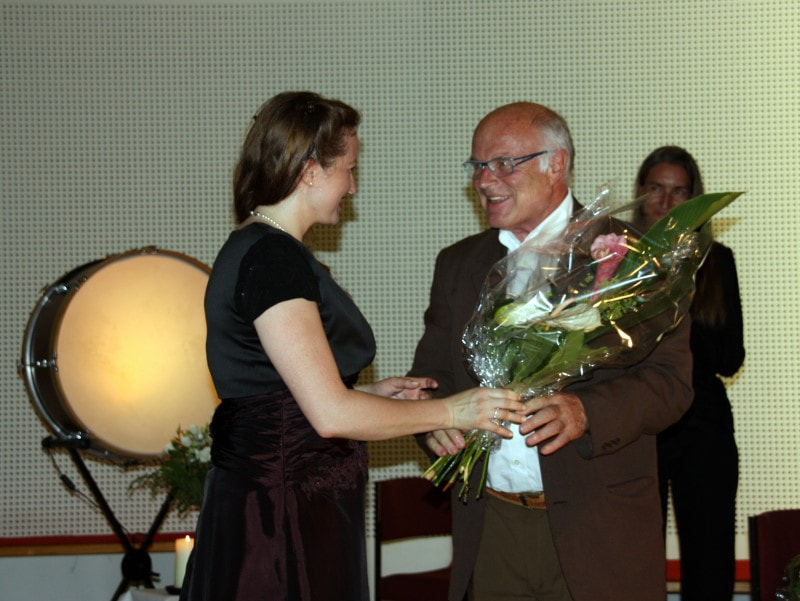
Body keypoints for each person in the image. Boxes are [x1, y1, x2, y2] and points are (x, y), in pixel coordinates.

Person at [178, 91, 524, 601]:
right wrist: (454, 411)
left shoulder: (260, 248)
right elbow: (330, 416)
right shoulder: (273, 259)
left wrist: (371, 395)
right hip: (282, 515)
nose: (353, 187)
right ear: (310, 171)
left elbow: (277, 396)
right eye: (349, 170)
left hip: (279, 502)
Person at [408, 102, 694, 601]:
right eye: (478, 165)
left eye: (503, 163)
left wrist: (586, 412)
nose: (484, 180)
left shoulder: (631, 258)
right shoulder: (458, 264)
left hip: (598, 530)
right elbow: (432, 375)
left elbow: (671, 384)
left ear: (555, 164)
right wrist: (434, 420)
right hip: (491, 527)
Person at [634, 146, 745, 601]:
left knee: (710, 560)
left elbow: (730, 357)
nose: (666, 202)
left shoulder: (717, 261)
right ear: (640, 193)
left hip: (704, 424)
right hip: (640, 425)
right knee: (635, 559)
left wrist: (679, 297)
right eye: (656, 189)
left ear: (695, 199)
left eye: (679, 192)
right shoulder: (619, 262)